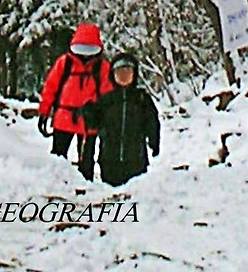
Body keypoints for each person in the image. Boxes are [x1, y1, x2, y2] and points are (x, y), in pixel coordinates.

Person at [37, 21, 112, 180]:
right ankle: (55, 182)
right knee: (58, 157)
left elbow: (108, 96)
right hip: (64, 117)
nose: (85, 54)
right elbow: (50, 87)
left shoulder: (103, 68)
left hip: (89, 121)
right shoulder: (65, 63)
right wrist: (44, 110)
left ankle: (85, 188)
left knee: (86, 161)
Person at [82, 51, 160, 187]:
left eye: (127, 72)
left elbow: (152, 122)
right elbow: (93, 124)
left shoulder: (141, 99)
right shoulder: (106, 99)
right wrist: (88, 111)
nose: (123, 76)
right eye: (119, 73)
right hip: (109, 161)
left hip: (136, 160)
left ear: (134, 74)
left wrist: (154, 142)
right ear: (113, 75)